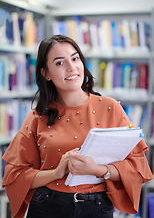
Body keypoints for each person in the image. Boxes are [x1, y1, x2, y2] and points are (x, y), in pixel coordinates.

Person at [2, 35, 153, 218]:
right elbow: (16, 175)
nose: (71, 67)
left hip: (96, 207)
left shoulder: (110, 107)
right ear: (45, 74)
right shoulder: (37, 116)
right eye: (59, 63)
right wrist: (56, 172)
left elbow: (137, 167)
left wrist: (97, 170)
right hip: (46, 205)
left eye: (75, 58)